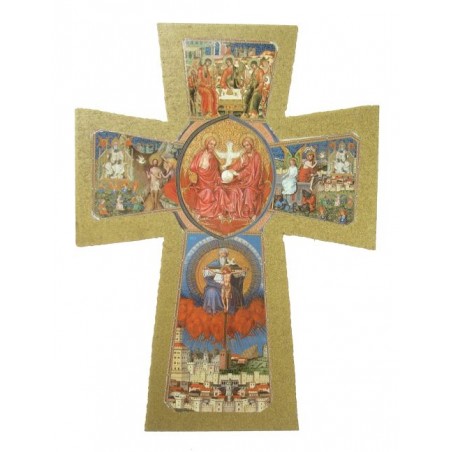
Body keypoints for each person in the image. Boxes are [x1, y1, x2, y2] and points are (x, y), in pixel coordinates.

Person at [186, 137, 229, 219]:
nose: (212, 146)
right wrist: (200, 169)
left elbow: (216, 172)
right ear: (206, 144)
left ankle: (219, 213)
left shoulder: (213, 158)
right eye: (211, 144)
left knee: (220, 190)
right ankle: (200, 212)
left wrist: (220, 179)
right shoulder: (200, 154)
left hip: (212, 182)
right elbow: (192, 167)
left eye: (214, 145)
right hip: (202, 183)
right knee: (207, 191)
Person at [202, 248, 246, 314]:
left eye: (224, 254)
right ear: (219, 255)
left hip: (228, 286)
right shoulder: (213, 264)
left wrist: (243, 271)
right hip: (215, 286)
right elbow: (208, 278)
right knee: (211, 292)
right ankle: (213, 311)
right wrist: (217, 284)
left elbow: (238, 274)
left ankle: (229, 312)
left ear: (227, 255)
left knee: (231, 294)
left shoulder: (231, 264)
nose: (223, 255)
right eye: (221, 254)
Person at [229, 137, 264, 220]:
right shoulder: (244, 155)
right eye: (244, 146)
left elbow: (251, 170)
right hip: (243, 181)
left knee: (248, 191)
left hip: (254, 182)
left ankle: (250, 212)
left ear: (251, 145)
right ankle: (234, 212)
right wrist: (231, 170)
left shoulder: (256, 156)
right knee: (234, 189)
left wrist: (239, 174)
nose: (246, 147)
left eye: (247, 145)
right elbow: (238, 164)